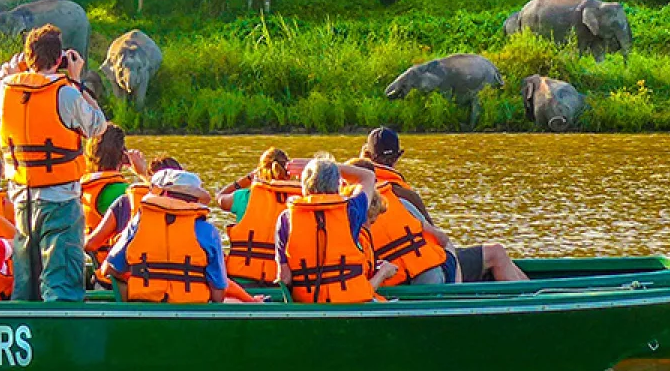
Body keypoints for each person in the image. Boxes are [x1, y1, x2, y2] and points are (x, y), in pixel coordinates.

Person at [0, 24, 105, 302]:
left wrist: (13, 69)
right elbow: (98, 127)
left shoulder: (5, 91)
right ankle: (59, 334)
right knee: (61, 277)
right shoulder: (67, 93)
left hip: (21, 201)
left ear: (28, 58)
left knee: (25, 278)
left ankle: (24, 331)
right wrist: (77, 80)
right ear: (59, 59)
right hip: (60, 199)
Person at [361, 127, 526, 283]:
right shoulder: (403, 195)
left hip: (390, 274)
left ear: (366, 155)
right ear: (398, 157)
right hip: (424, 272)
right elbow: (437, 239)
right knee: (496, 253)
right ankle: (533, 297)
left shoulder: (355, 190)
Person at [275, 154, 396, 303]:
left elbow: (284, 277)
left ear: (304, 187)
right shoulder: (351, 210)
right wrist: (331, 167)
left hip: (307, 303)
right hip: (352, 300)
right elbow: (368, 176)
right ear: (338, 184)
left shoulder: (286, 219)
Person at [100, 169, 230, 303]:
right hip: (191, 309)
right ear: (196, 200)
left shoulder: (139, 223)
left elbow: (110, 268)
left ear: (164, 194)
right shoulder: (208, 231)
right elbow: (218, 291)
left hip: (144, 307)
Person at [220, 147, 302, 285]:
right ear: (288, 173)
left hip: (241, 278)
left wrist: (246, 179)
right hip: (280, 280)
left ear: (259, 171)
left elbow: (220, 197)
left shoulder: (244, 197)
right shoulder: (299, 200)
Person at [79, 125, 149, 255]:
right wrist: (144, 174)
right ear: (123, 156)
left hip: (95, 258)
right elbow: (162, 203)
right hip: (114, 264)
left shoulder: (84, 187)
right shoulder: (123, 192)